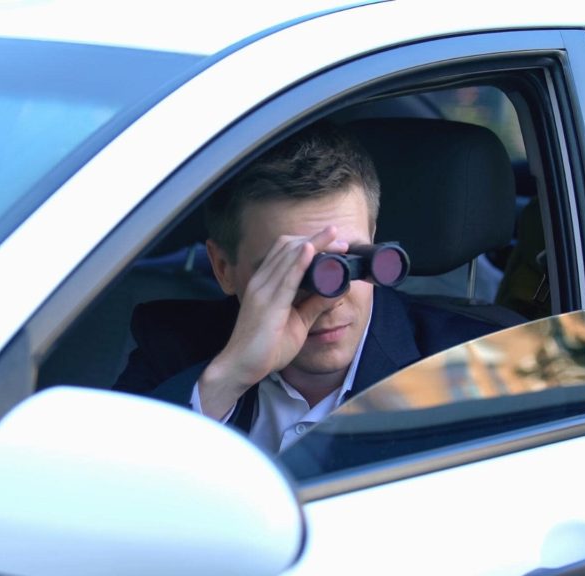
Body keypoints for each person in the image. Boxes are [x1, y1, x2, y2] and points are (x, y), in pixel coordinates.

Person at [114, 121, 500, 453]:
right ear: (223, 268)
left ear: (374, 239)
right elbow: (104, 491)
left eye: (350, 262)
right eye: (291, 272)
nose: (329, 299)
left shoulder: (474, 368)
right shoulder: (172, 349)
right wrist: (229, 377)